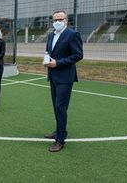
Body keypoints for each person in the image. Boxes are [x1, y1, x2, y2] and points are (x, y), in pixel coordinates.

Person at [43, 10, 83, 152]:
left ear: (66, 20)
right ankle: (59, 131)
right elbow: (49, 52)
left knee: (60, 107)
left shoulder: (72, 34)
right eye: (54, 20)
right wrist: (47, 61)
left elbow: (78, 55)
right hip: (53, 76)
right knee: (56, 106)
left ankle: (60, 140)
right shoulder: (50, 35)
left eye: (60, 19)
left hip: (65, 77)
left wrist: (58, 63)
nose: (57, 22)